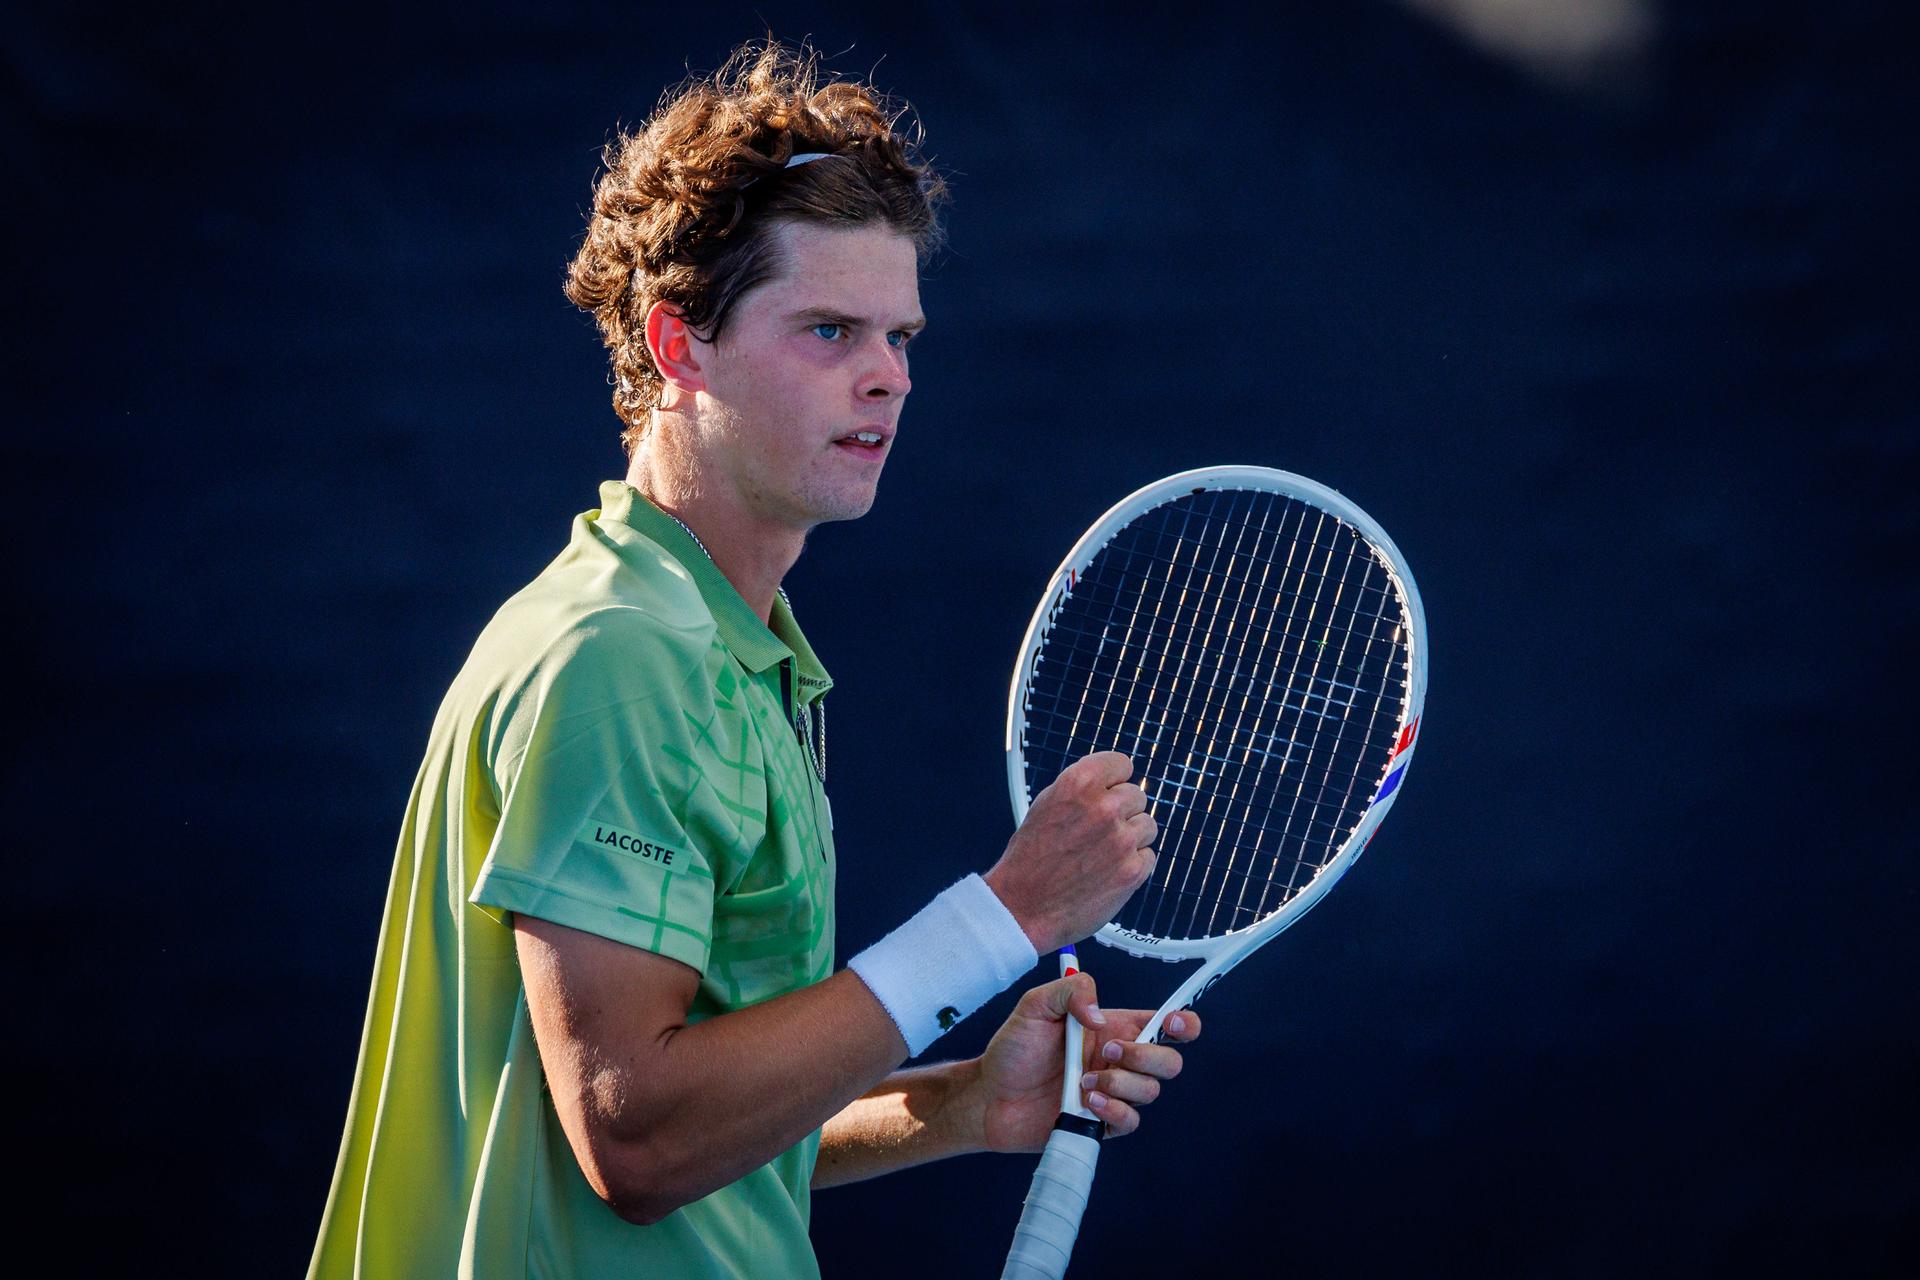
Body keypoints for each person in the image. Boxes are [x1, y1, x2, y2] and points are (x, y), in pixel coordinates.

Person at [309, 38, 1200, 1280]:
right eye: (830, 329)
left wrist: (953, 1105)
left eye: (901, 335)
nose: (887, 375)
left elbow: (700, 1125)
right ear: (680, 349)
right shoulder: (620, 656)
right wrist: (1004, 917)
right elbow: (638, 1139)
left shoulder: (724, 652)